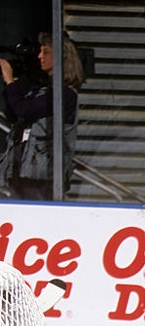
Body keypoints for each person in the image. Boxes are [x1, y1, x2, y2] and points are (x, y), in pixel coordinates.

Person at [0, 32, 86, 201]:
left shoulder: (65, 94)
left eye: (45, 52)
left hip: (40, 173)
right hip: (21, 166)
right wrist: (12, 85)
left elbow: (25, 110)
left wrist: (10, 83)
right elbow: (17, 114)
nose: (40, 56)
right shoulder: (42, 90)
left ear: (61, 57)